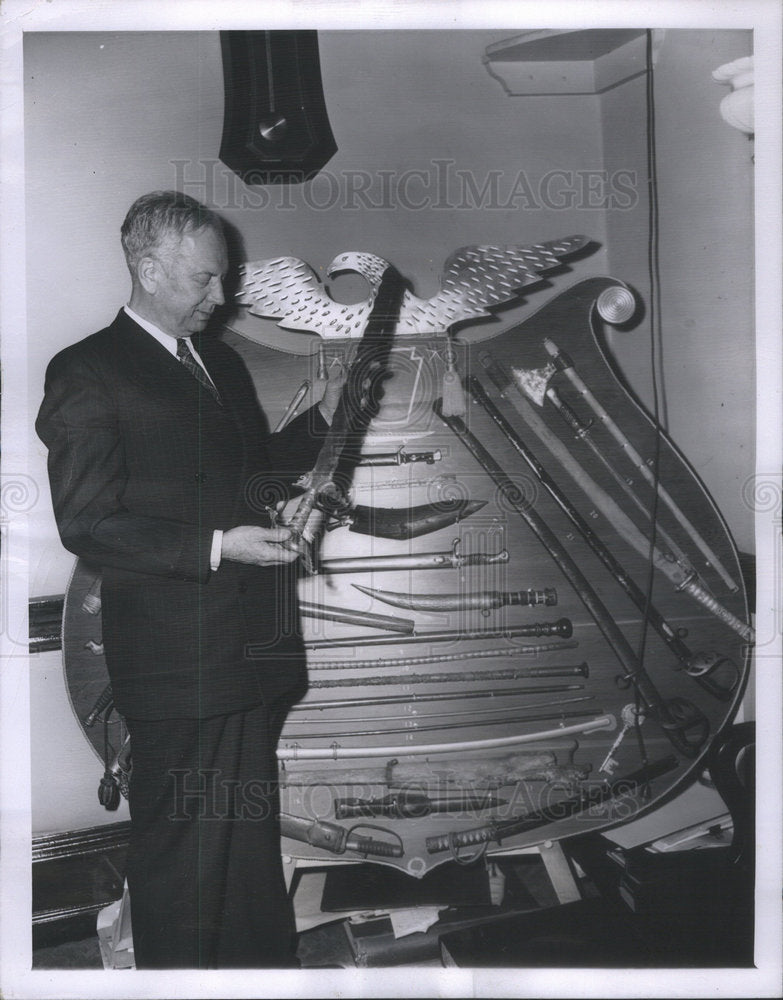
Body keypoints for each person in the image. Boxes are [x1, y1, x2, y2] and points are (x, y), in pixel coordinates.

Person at [36, 191, 341, 969]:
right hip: (179, 666)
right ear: (148, 267)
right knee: (182, 863)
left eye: (224, 279)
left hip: (251, 655)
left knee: (243, 852)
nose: (222, 296)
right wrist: (219, 546)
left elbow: (252, 475)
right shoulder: (88, 372)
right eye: (206, 280)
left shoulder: (222, 361)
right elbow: (88, 522)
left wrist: (320, 433)